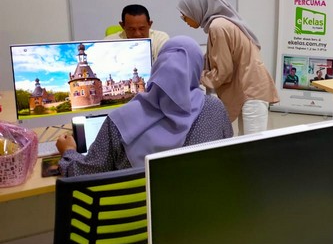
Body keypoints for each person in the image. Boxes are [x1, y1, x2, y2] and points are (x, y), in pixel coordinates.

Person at [56, 36, 233, 176]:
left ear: (158, 68)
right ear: (196, 69)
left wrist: (69, 151)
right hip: (202, 206)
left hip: (139, 211)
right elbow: (228, 156)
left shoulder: (118, 122)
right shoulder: (215, 109)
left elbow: (85, 173)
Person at [177, 0, 279, 135]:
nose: (184, 19)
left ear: (196, 9)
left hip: (251, 90)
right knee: (245, 142)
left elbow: (223, 72)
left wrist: (199, 77)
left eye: (184, 14)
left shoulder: (217, 27)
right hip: (248, 89)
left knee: (253, 144)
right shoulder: (220, 24)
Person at [105, 4, 170, 61]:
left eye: (142, 29)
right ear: (122, 26)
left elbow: (165, 66)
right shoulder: (109, 42)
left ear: (150, 24)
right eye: (131, 29)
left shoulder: (160, 39)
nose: (137, 34)